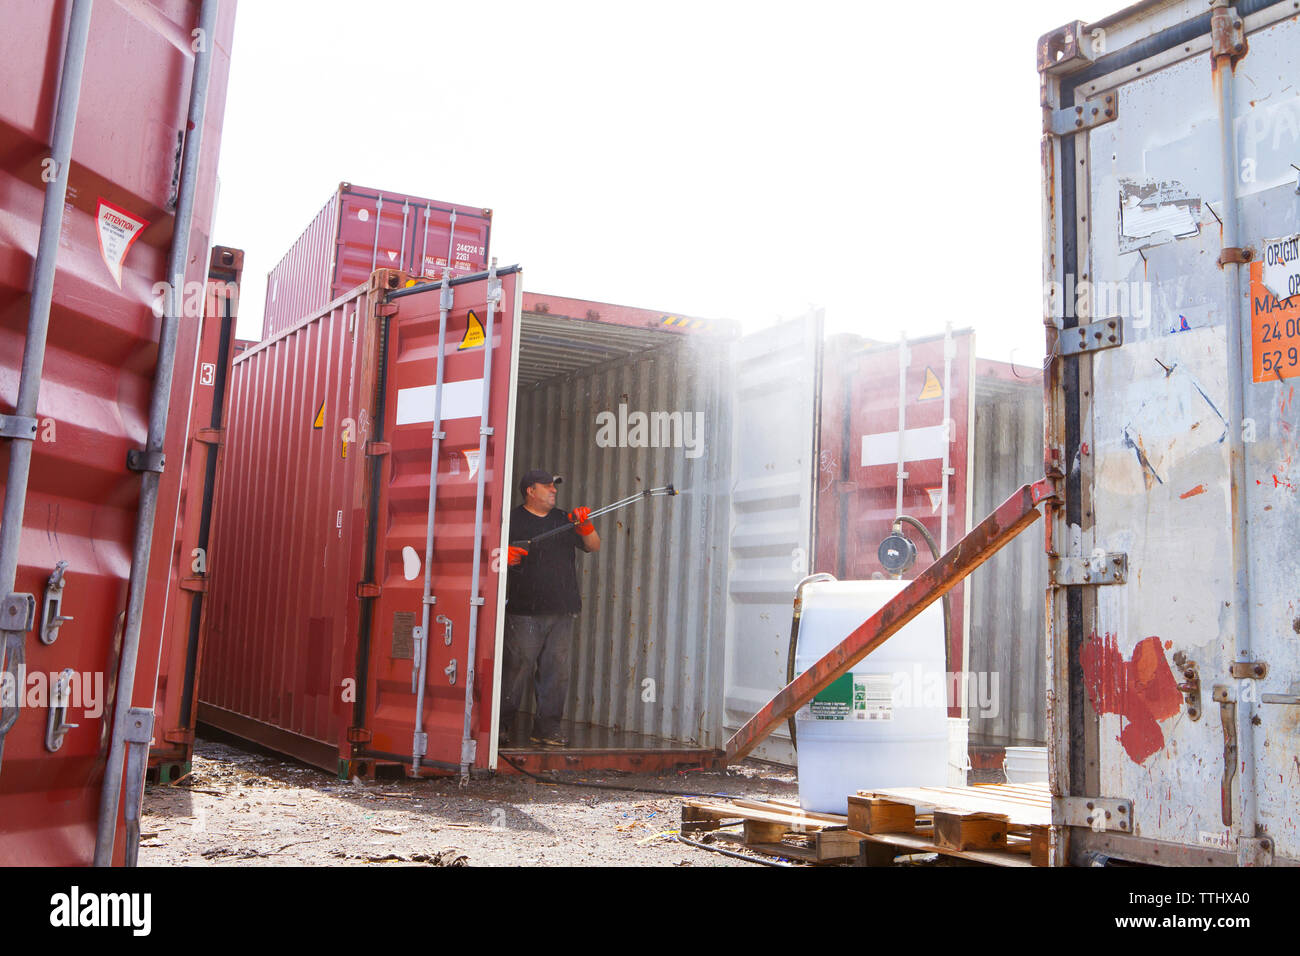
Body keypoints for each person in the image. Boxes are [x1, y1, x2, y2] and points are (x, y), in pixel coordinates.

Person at [500, 469, 599, 747]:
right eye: (547, 486)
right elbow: (489, 558)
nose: (553, 490)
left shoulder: (564, 519)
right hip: (524, 611)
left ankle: (547, 728)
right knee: (516, 668)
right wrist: (503, 554)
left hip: (562, 608)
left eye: (553, 486)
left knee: (556, 670)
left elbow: (594, 546)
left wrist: (585, 527)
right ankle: (501, 725)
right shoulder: (512, 520)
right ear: (530, 491)